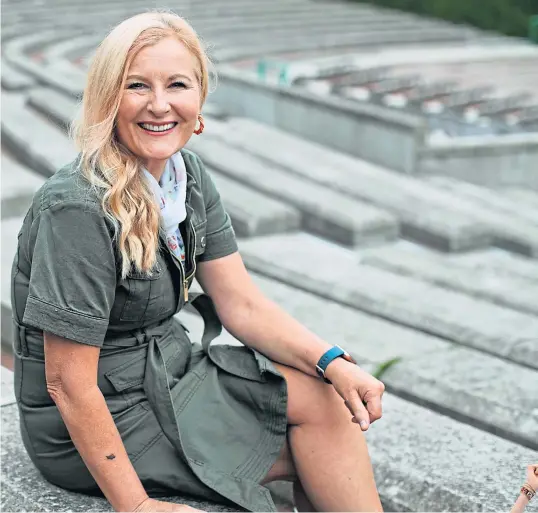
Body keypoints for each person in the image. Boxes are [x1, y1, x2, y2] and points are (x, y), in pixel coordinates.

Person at [10, 11, 385, 513]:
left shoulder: (186, 173)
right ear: (107, 98)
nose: (159, 105)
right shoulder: (78, 207)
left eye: (178, 85)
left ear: (200, 98)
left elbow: (242, 304)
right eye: (137, 85)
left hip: (171, 374)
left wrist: (331, 361)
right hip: (97, 418)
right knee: (312, 448)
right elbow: (68, 383)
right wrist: (138, 506)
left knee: (330, 401)